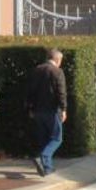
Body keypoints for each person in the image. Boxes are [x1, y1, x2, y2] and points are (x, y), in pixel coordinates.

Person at [26, 48, 68, 176]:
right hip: (52, 110)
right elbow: (61, 92)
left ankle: (47, 167)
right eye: (60, 60)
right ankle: (43, 156)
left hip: (38, 110)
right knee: (56, 138)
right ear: (57, 59)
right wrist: (64, 109)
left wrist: (30, 108)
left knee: (43, 138)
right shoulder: (57, 72)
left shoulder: (36, 70)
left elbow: (30, 91)